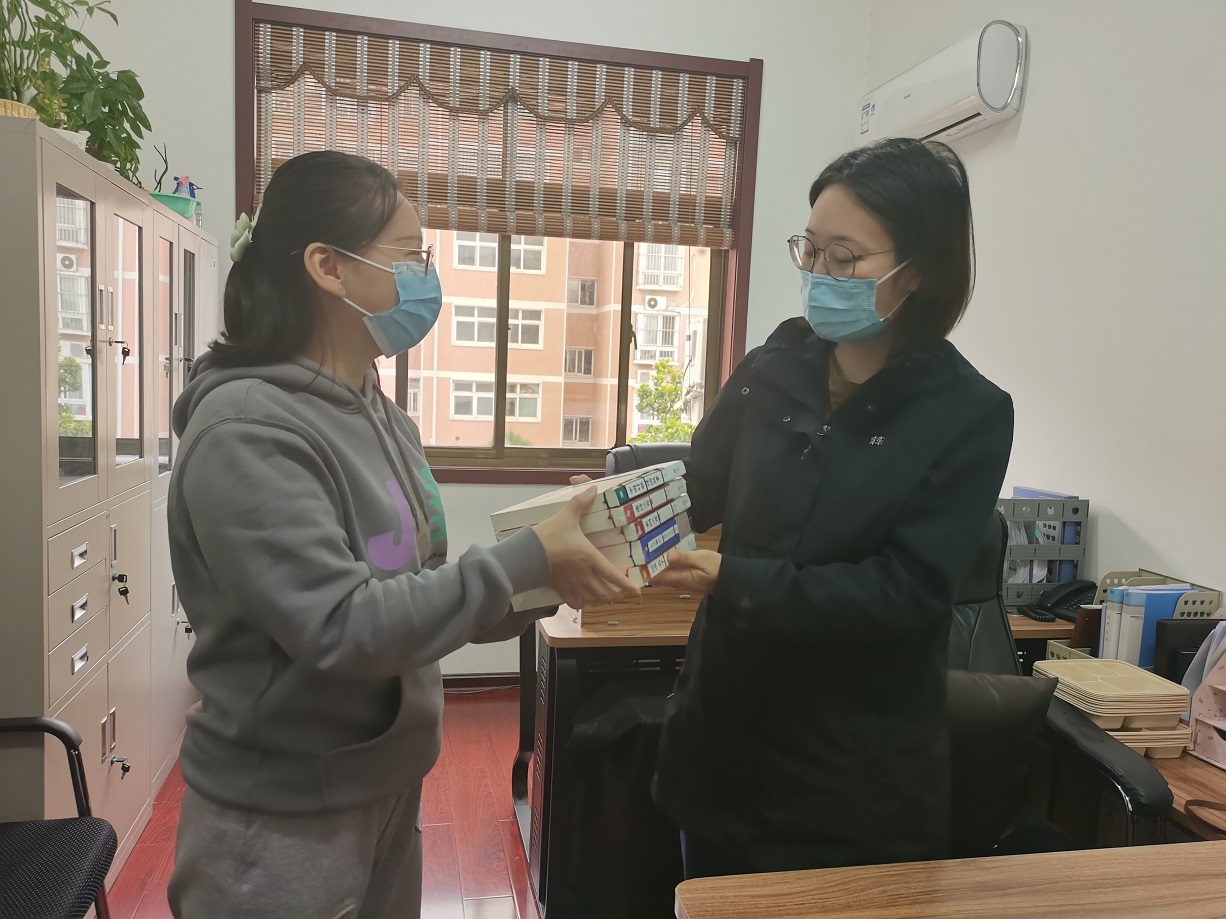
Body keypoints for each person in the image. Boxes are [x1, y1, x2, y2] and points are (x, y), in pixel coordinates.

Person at [165, 150, 637, 919]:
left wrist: (555, 570)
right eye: (410, 254)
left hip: (384, 782)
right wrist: (526, 558)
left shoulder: (381, 413)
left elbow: (419, 595)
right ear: (328, 266)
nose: (427, 276)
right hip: (282, 817)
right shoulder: (246, 429)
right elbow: (341, 624)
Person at [650, 138, 1015, 877]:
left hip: (847, 775)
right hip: (719, 740)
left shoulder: (968, 413)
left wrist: (732, 579)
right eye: (810, 250)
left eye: (844, 258)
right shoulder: (775, 363)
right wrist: (611, 508)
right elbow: (700, 481)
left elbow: (904, 592)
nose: (819, 275)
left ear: (919, 270)